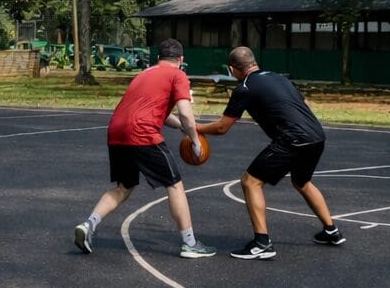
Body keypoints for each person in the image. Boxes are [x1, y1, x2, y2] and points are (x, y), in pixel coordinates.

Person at [196, 46, 344, 259]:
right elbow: (304, 104)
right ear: (254, 62)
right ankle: (331, 231)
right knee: (301, 181)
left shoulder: (244, 88)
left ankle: (262, 243)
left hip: (293, 139)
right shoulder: (280, 78)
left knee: (250, 181)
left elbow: (222, 127)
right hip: (316, 135)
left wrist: (196, 127)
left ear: (233, 69)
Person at [73, 38, 216, 259]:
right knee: (175, 184)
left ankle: (88, 224)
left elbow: (160, 111)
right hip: (142, 132)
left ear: (158, 58)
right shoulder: (178, 75)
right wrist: (195, 139)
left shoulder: (144, 74)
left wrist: (181, 128)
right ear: (181, 60)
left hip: (116, 130)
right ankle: (190, 243)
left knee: (123, 186)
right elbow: (186, 112)